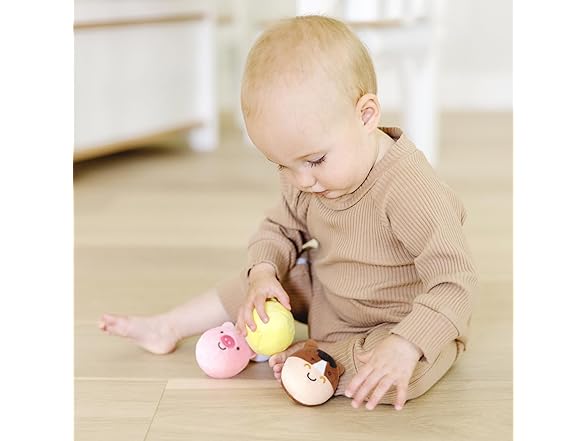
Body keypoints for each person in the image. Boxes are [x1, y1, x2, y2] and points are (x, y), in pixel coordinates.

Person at [99, 15, 477, 411]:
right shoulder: (308, 175)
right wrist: (263, 275)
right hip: (330, 293)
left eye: (314, 160)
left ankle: (326, 358)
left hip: (398, 319)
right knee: (261, 284)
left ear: (366, 115)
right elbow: (278, 229)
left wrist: (407, 343)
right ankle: (169, 326)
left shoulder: (410, 190)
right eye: (282, 165)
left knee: (398, 374)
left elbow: (456, 280)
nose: (302, 181)